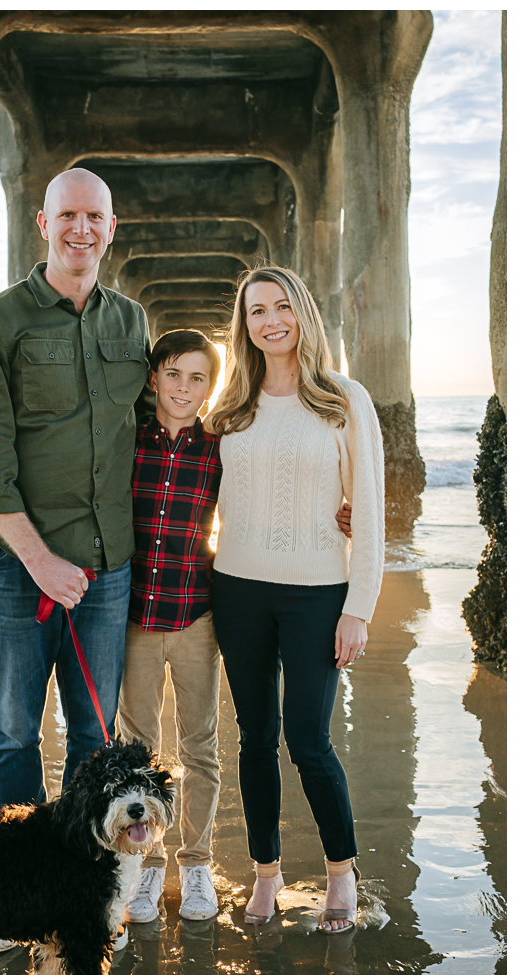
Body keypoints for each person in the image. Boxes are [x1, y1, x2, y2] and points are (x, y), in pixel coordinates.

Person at [0, 168, 153, 953]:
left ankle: (79, 892)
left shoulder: (132, 322)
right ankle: (16, 890)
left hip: (107, 568)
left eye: (94, 216)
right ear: (43, 222)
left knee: (93, 741)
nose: (81, 228)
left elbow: (160, 429)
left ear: (112, 226)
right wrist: (38, 562)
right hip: (14, 566)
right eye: (67, 214)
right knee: (12, 730)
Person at [207, 265, 384, 934]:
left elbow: (366, 511)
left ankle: (341, 872)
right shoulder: (230, 407)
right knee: (255, 739)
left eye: (282, 306)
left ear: (303, 313)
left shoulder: (344, 399)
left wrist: (358, 608)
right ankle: (266, 875)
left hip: (317, 596)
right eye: (256, 311)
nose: (270, 320)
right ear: (244, 326)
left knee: (310, 740)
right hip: (238, 590)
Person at [118, 329, 223, 923]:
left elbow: (264, 499)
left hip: (195, 615)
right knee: (138, 749)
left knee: (200, 743)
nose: (184, 387)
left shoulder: (219, 446)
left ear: (211, 386)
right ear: (154, 377)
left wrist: (337, 513)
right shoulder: (128, 439)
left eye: (198, 377)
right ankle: (147, 867)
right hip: (134, 616)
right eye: (174, 374)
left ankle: (198, 862)